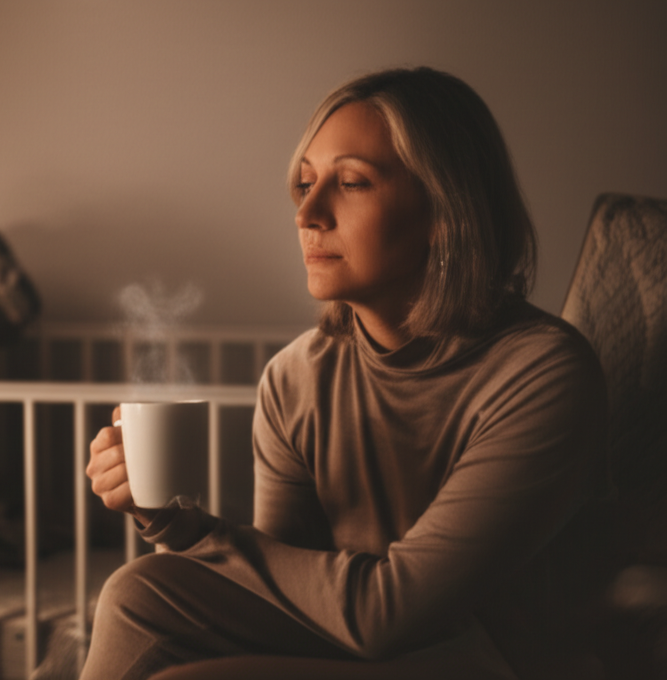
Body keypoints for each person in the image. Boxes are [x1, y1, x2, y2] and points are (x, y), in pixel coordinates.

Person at [81, 67, 609, 680]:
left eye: (352, 182)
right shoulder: (295, 378)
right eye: (305, 183)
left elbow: (391, 613)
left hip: (493, 662)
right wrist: (172, 525)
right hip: (352, 646)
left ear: (446, 210)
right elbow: (281, 589)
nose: (307, 212)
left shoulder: (543, 373)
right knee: (137, 591)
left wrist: (200, 535)